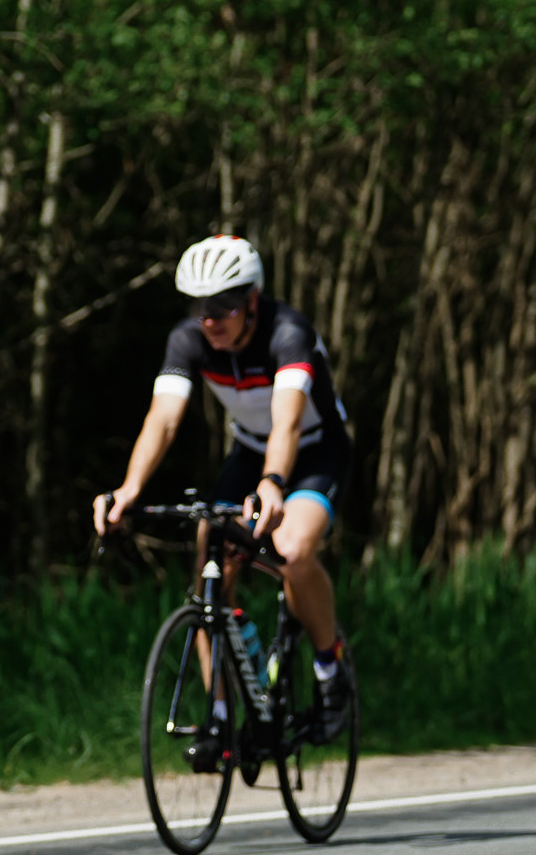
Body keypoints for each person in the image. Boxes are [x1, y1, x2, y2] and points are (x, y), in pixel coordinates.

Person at [91, 233, 355, 749]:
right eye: (199, 307)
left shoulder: (288, 333)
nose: (210, 319)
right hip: (251, 451)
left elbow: (288, 423)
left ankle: (330, 669)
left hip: (315, 450)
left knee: (293, 549)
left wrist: (275, 483)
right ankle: (224, 710)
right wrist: (129, 489)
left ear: (252, 300)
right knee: (210, 557)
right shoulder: (188, 340)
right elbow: (163, 420)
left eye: (224, 306)